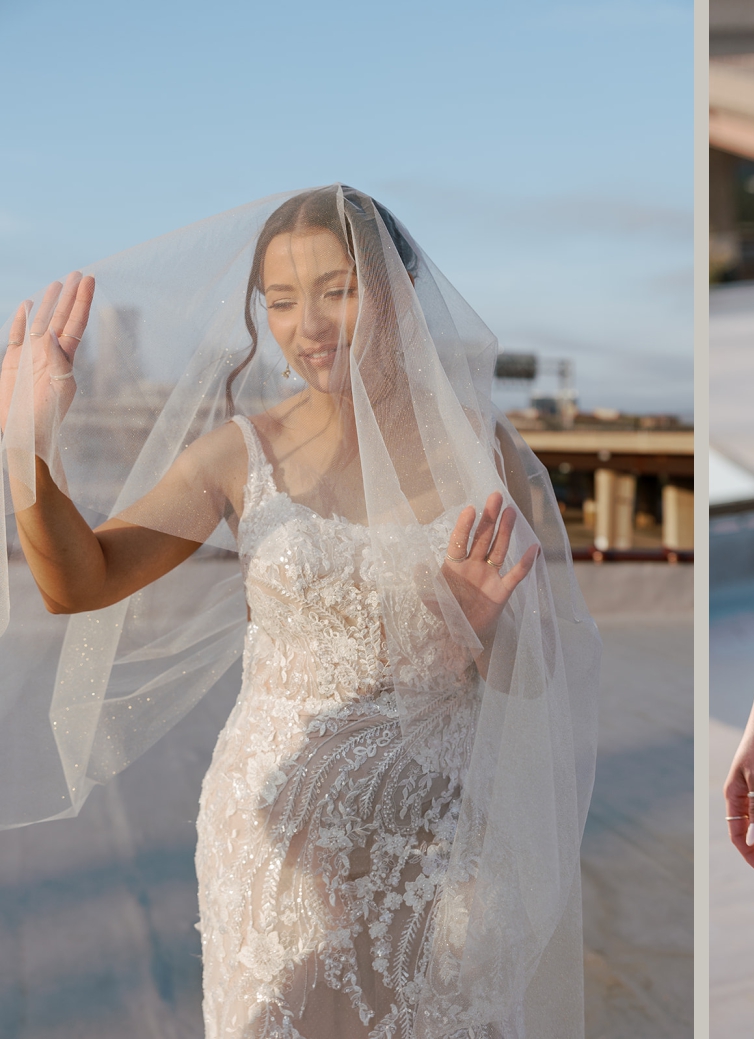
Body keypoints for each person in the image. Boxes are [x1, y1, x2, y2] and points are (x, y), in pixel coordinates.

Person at [0, 186, 599, 1038]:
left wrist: (479, 629)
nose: (308, 324)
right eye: (280, 301)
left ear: (400, 291)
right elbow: (80, 582)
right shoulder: (240, 455)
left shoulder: (479, 449)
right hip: (277, 855)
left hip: (439, 853)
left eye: (337, 290)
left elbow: (538, 677)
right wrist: (28, 449)